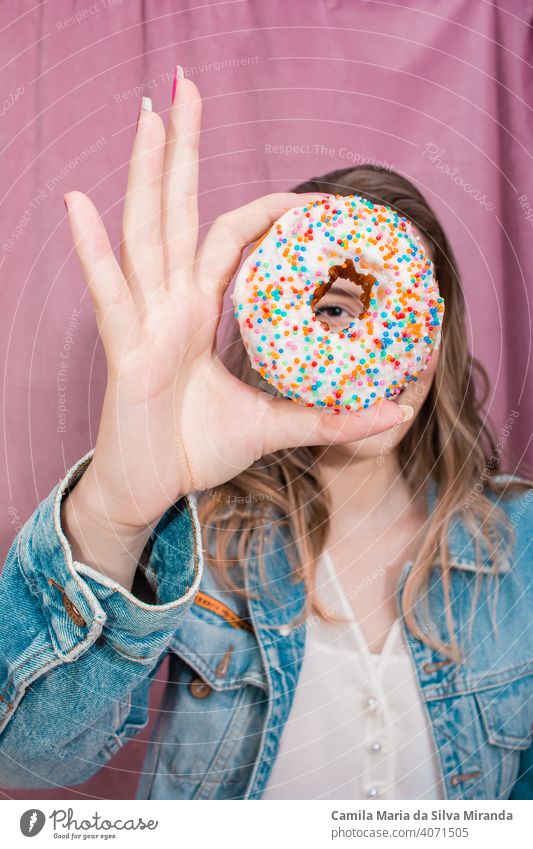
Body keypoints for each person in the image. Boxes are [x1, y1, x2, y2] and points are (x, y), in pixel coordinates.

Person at [0, 71, 531, 801]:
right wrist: (113, 514)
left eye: (410, 317)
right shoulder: (200, 550)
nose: (380, 349)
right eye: (338, 310)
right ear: (275, 331)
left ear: (438, 339)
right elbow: (24, 761)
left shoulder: (522, 543)